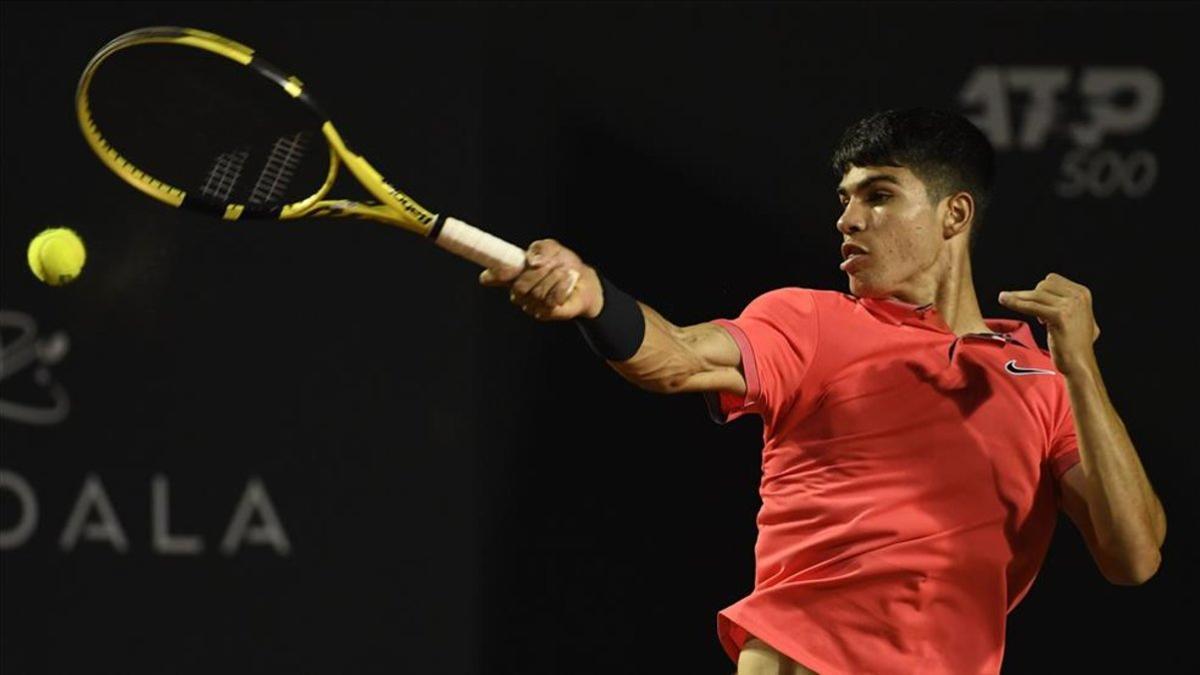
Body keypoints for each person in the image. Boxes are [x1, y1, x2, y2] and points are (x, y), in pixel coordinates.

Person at [479, 108, 1166, 674]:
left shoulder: (1041, 378)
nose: (848, 220)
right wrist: (597, 300)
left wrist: (1079, 367)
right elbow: (679, 358)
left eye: (879, 194)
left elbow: (1133, 555)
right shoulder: (811, 322)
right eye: (844, 199)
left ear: (954, 215)